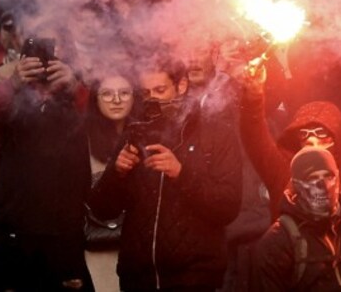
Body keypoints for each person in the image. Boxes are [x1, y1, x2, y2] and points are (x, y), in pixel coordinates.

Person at [88, 59, 242, 292]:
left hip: (193, 277)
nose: (153, 99)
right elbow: (103, 209)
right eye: (147, 92)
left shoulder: (216, 132)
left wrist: (181, 173)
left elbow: (228, 206)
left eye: (160, 90)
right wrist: (116, 173)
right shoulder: (136, 131)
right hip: (138, 277)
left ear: (181, 85)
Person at [236, 63, 341, 245]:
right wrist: (253, 96)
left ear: (338, 140)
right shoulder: (284, 177)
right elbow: (255, 138)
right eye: (305, 135)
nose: (313, 142)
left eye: (322, 134)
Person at [0, 29, 93, 291]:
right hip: (15, 221)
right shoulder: (10, 80)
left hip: (65, 225)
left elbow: (100, 122)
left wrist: (73, 87)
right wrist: (14, 83)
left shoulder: (81, 83)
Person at [255, 147, 341, 291]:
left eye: (328, 176)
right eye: (312, 178)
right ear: (296, 185)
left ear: (338, 179)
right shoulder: (277, 243)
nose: (322, 185)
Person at [84, 74, 136, 292]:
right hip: (97, 245)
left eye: (124, 93)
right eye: (107, 94)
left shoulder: (148, 136)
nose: (116, 100)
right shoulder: (82, 141)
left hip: (135, 245)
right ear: (95, 100)